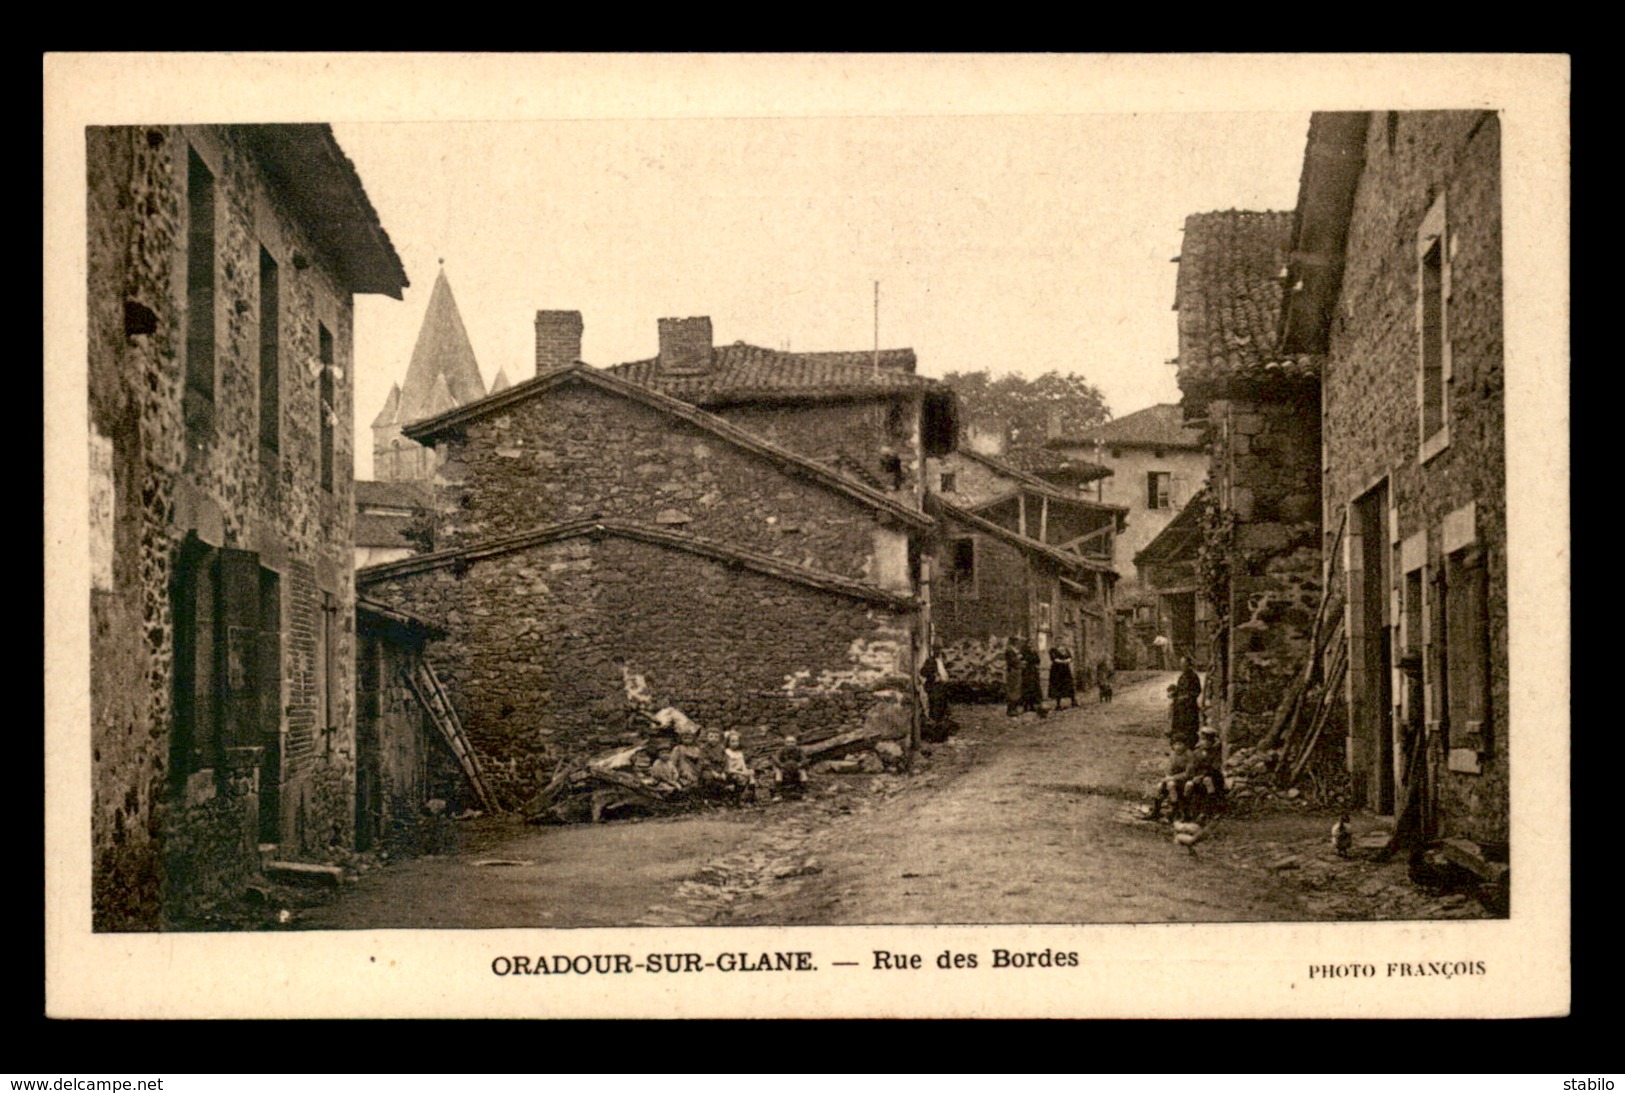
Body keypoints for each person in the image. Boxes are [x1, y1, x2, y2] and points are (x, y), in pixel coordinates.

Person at [1181, 726, 1226, 822]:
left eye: (1208, 740)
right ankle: (1185, 812)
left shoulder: (1216, 752)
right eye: (1203, 740)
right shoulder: (1196, 752)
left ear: (1212, 741)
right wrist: (1193, 777)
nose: (1205, 743)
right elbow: (1192, 767)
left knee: (1207, 781)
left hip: (1213, 777)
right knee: (1188, 785)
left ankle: (1209, 811)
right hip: (1197, 777)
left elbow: (1215, 768)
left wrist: (1201, 776)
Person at [1141, 739, 1194, 821]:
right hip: (1172, 778)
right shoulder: (1173, 753)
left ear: (1185, 745)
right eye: (1175, 744)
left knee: (1171, 785)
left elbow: (1187, 774)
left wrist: (1172, 778)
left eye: (1180, 744)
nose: (1177, 747)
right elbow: (1169, 767)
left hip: (1184, 780)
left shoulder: (1189, 755)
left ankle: (1174, 811)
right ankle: (1156, 811)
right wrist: (1167, 776)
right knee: (1159, 786)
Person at [1169, 655, 1202, 749]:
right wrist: (1174, 694)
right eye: (1181, 664)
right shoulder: (1182, 677)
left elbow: (1197, 691)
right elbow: (1179, 689)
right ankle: (1178, 746)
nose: (1181, 666)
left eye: (1183, 664)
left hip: (1189, 708)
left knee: (1189, 728)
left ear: (1188, 664)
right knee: (1179, 727)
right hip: (1180, 707)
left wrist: (1187, 696)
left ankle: (1189, 746)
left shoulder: (1194, 677)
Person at [921, 644, 951, 727]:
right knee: (935, 704)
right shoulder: (930, 661)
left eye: (939, 650)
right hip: (933, 686)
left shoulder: (942, 661)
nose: (938, 652)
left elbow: (946, 672)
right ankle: (934, 722)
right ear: (933, 651)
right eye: (936, 650)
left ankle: (940, 721)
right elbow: (923, 672)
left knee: (942, 704)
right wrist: (934, 676)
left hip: (942, 686)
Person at [1019, 638, 1048, 718]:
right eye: (1030, 643)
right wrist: (1026, 662)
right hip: (1027, 672)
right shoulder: (1024, 651)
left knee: (1034, 688)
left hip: (1033, 671)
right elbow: (1022, 659)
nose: (1031, 644)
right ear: (1027, 643)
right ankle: (1025, 706)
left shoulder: (1034, 651)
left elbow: (1038, 660)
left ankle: (1032, 705)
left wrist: (1036, 664)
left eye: (1032, 643)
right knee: (1027, 688)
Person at [774, 734, 807, 800]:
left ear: (795, 743)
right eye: (788, 742)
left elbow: (804, 759)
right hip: (784, 768)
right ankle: (778, 794)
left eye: (792, 742)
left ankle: (804, 793)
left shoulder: (799, 750)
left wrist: (799, 764)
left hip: (796, 768)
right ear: (785, 743)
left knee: (803, 774)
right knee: (778, 774)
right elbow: (776, 759)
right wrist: (781, 765)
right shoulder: (781, 750)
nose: (790, 744)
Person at [1048, 644, 1077, 711]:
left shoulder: (1066, 650)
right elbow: (1054, 659)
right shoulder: (1053, 650)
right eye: (1057, 641)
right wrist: (1062, 661)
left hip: (1065, 670)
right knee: (1058, 686)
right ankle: (1058, 704)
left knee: (1069, 684)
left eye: (1060, 640)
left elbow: (1070, 657)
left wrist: (1067, 661)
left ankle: (1073, 701)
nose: (1059, 642)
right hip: (1057, 671)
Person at [1004, 635, 1025, 717]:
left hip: (1016, 670)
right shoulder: (1009, 650)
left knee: (1016, 689)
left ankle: (1014, 708)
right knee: (1013, 689)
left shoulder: (1014, 650)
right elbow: (1012, 661)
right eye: (1016, 641)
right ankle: (1011, 709)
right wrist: (1019, 659)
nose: (1018, 643)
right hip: (1013, 671)